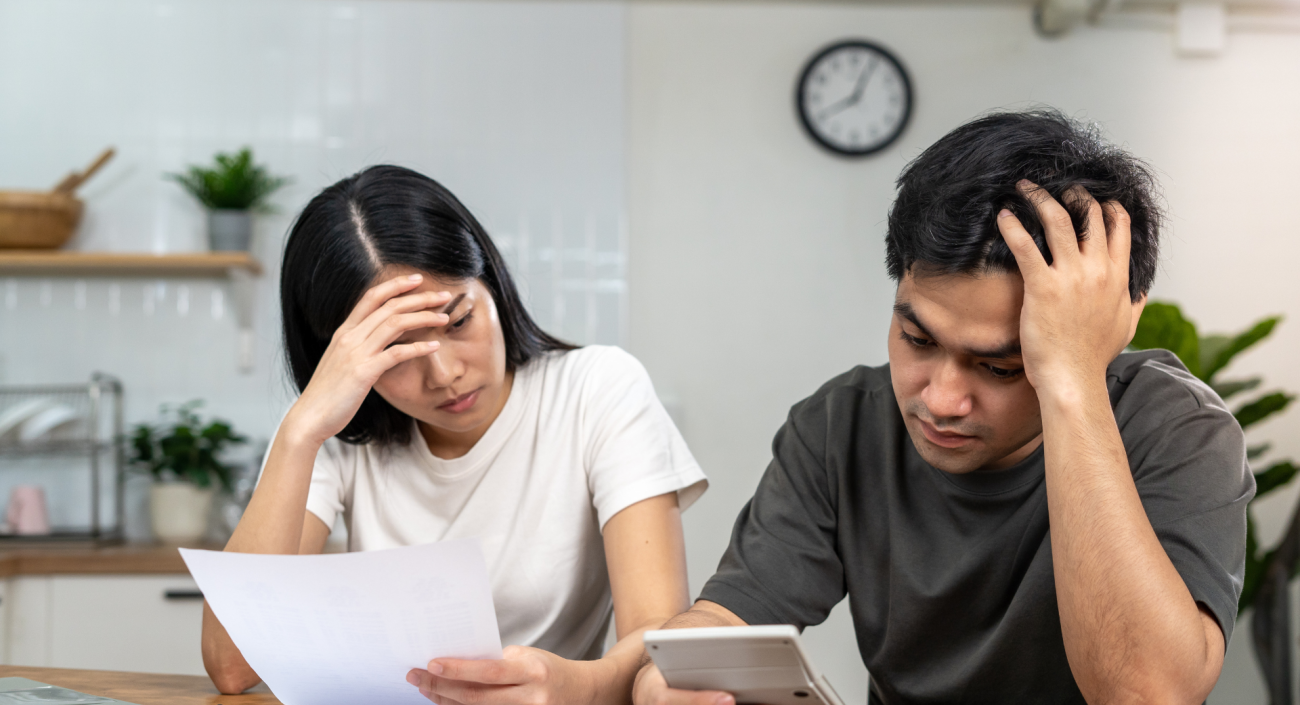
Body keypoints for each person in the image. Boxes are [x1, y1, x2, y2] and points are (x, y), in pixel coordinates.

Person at [632, 110, 1253, 705]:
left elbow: (1147, 695)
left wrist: (1071, 381)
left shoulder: (1176, 429)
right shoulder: (840, 426)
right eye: (918, 340)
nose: (940, 400)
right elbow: (726, 618)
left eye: (1002, 367)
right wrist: (670, 675)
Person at [201, 165, 708, 705]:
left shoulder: (598, 390)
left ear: (491, 281)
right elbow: (232, 669)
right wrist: (300, 429)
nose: (443, 375)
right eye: (396, 351)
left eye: (458, 321)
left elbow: (656, 640)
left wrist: (570, 687)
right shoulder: (336, 433)